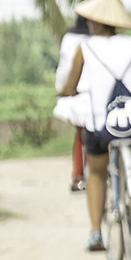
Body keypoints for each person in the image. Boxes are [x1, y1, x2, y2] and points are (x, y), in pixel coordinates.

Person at [57, 0, 131, 251]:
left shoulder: (85, 49)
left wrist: (67, 92)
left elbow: (70, 86)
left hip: (101, 127)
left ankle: (95, 232)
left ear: (94, 22)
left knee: (96, 172)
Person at [53, 15, 89, 193]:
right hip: (90, 94)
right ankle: (81, 175)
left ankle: (78, 176)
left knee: (81, 134)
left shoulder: (70, 39)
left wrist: (62, 90)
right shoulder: (98, 39)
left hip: (75, 93)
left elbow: (64, 69)